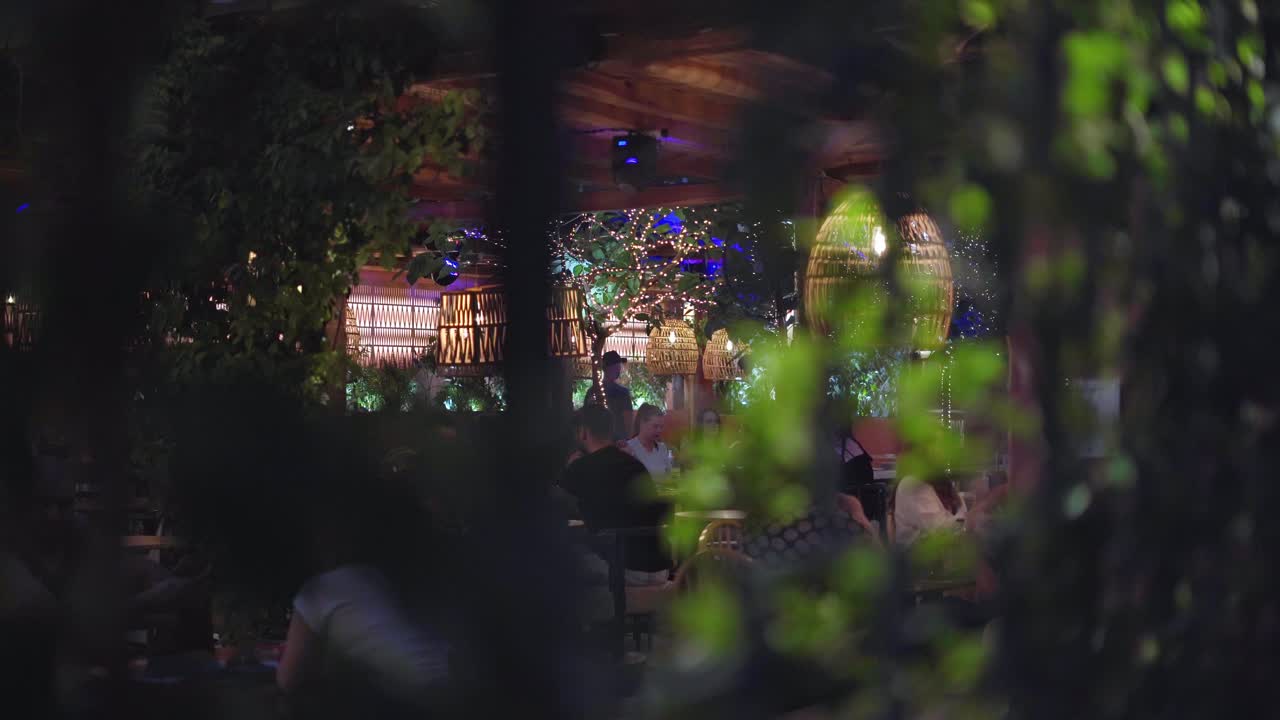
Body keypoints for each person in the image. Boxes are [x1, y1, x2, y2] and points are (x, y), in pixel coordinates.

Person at [561, 405, 671, 586]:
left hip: (623, 568)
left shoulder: (580, 468)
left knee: (565, 559)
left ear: (583, 432)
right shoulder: (635, 465)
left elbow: (561, 509)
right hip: (660, 567)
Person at [893, 473, 968, 546]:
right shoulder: (912, 483)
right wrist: (970, 517)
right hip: (915, 553)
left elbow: (961, 511)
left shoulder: (943, 482)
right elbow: (938, 529)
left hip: (940, 548)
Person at [625, 403, 674, 479]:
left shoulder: (662, 448)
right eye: (655, 426)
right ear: (642, 423)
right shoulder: (629, 448)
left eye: (661, 427)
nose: (659, 430)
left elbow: (669, 475)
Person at [601, 351, 634, 442]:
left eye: (618, 367)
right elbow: (628, 421)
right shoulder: (622, 392)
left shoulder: (592, 391)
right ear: (606, 368)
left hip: (599, 443)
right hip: (619, 442)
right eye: (616, 367)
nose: (618, 370)